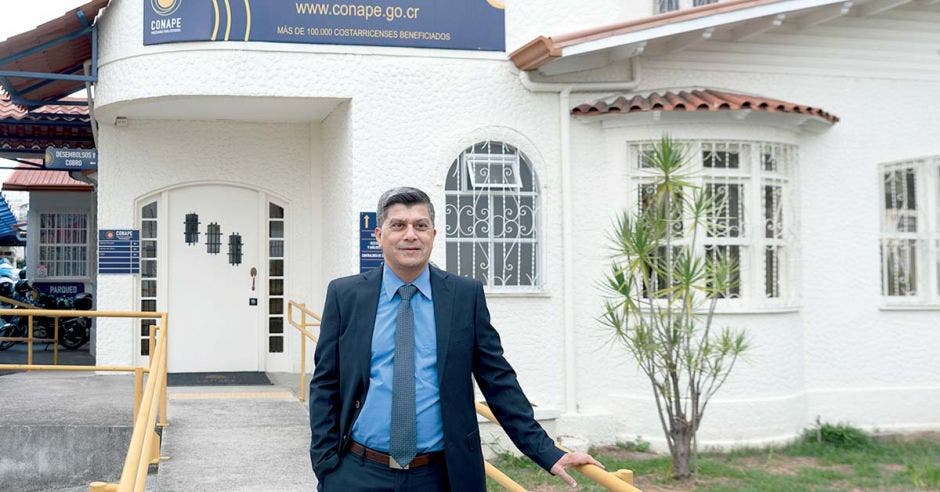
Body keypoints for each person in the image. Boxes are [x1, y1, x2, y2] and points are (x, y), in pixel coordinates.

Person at [309, 187, 602, 491]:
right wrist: (326, 464)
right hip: (358, 473)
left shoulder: (464, 296)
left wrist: (546, 451)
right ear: (379, 235)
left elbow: (498, 380)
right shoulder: (346, 296)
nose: (411, 235)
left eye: (420, 225)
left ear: (433, 234)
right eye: (398, 225)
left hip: (441, 476)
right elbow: (325, 383)